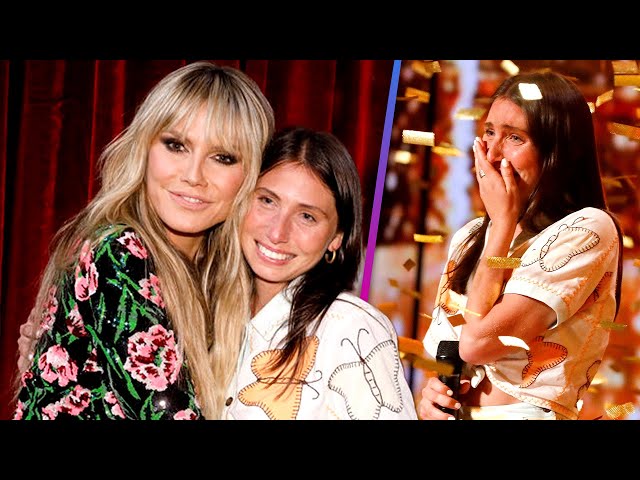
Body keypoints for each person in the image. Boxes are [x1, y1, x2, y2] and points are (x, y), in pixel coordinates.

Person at [12, 61, 275, 420]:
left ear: (252, 176)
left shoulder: (222, 278)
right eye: (176, 145)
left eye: (222, 158)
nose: (193, 175)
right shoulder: (117, 253)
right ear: (145, 148)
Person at [418, 71, 624, 420]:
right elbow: (451, 351)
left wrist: (501, 224)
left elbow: (477, 343)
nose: (493, 153)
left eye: (515, 137)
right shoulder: (470, 236)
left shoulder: (587, 229)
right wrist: (432, 396)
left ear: (556, 152)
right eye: (489, 132)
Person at [220, 127, 417, 419]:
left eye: (307, 216)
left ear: (336, 237)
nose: (277, 232)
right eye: (267, 201)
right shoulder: (213, 314)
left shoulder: (351, 328)